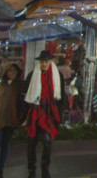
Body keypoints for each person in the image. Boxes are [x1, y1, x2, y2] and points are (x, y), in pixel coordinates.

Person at [24, 50, 65, 178]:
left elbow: (61, 97)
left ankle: (45, 169)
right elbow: (25, 94)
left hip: (49, 114)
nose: (43, 64)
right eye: (42, 61)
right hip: (35, 113)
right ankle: (31, 169)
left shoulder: (57, 76)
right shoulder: (32, 75)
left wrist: (58, 113)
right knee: (32, 143)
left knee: (47, 142)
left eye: (46, 61)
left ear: (50, 61)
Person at [0, 63, 25, 178]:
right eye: (10, 71)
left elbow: (23, 104)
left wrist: (20, 119)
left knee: (5, 145)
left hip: (11, 120)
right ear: (6, 72)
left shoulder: (19, 86)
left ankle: (0, 171)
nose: (13, 73)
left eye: (15, 71)